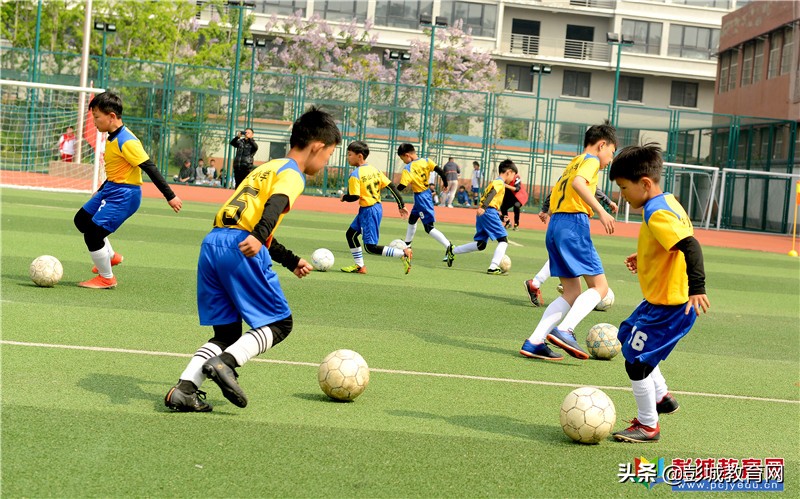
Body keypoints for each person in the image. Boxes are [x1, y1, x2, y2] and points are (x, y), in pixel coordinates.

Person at [164, 106, 341, 412]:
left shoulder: (266, 168)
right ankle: (227, 364)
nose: (325, 164)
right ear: (317, 147)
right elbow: (276, 204)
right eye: (327, 157)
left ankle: (184, 389)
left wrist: (289, 259)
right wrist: (258, 237)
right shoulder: (292, 174)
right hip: (239, 246)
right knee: (280, 323)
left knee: (227, 332)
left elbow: (249, 218)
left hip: (213, 243)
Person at [608, 142, 710, 443]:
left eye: (624, 189)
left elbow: (690, 245)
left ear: (645, 183)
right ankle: (663, 397)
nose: (622, 197)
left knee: (635, 362)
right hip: (658, 301)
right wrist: (646, 255)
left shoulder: (655, 212)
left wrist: (697, 288)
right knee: (627, 338)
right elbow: (673, 242)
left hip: (671, 306)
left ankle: (648, 425)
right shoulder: (667, 201)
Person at [518, 121, 617, 360]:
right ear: (601, 145)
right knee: (600, 287)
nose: (610, 159)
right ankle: (565, 329)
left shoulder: (574, 161)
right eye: (611, 153)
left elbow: (563, 188)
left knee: (572, 292)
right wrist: (601, 211)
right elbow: (578, 184)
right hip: (573, 225)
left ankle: (535, 341)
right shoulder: (591, 161)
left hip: (556, 226)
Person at [73, 91, 182, 289]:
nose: (95, 122)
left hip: (124, 195)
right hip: (111, 188)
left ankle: (107, 278)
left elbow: (150, 168)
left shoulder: (127, 141)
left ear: (111, 116)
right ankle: (111, 256)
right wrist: (100, 190)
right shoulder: (111, 137)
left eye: (97, 117)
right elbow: (116, 170)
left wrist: (170, 196)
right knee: (81, 220)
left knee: (93, 235)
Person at [523, 188, 619, 307]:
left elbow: (555, 189)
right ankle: (540, 282)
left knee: (564, 254)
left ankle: (539, 282)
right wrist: (608, 202)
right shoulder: (581, 172)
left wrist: (544, 209)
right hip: (572, 220)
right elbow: (590, 187)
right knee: (577, 256)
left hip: (559, 219)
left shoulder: (568, 173)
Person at [340, 140, 412, 274]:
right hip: (374, 208)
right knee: (351, 235)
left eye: (349, 154)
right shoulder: (375, 170)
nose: (347, 158)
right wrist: (401, 205)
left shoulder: (355, 175)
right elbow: (391, 186)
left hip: (369, 210)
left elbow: (354, 196)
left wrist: (345, 197)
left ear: (359, 156)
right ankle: (360, 266)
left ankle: (403, 253)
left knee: (370, 247)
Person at [449, 159, 517, 274]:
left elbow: (492, 198)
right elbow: (492, 194)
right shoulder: (500, 183)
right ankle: (493, 266)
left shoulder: (494, 182)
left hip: (486, 213)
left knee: (481, 244)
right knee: (503, 240)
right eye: (514, 175)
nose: (513, 179)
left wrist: (498, 216)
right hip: (487, 211)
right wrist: (484, 207)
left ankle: (453, 250)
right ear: (509, 172)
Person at [396, 143, 455, 263]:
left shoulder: (408, 168)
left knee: (429, 228)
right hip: (425, 194)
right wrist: (445, 182)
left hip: (422, 198)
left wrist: (393, 189)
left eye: (403, 159)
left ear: (407, 155)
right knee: (412, 219)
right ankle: (407, 244)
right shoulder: (426, 161)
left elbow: (402, 186)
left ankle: (449, 246)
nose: (404, 162)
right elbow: (440, 170)